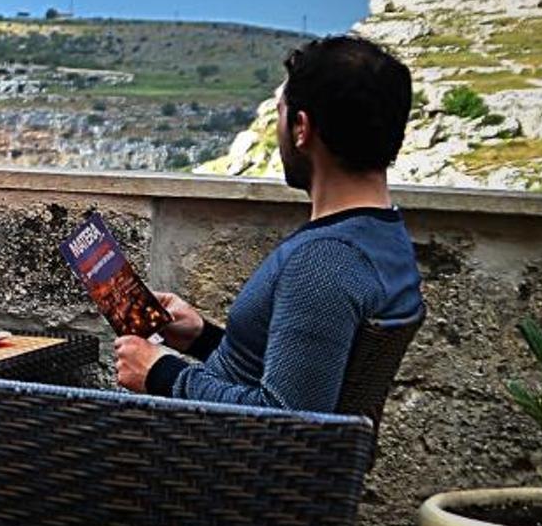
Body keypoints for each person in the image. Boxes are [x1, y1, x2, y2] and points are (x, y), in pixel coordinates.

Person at [114, 34, 424, 411]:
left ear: (301, 128)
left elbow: (286, 418)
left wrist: (161, 373)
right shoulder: (383, 237)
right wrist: (201, 338)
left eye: (280, 113)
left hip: (219, 448)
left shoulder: (325, 261)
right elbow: (302, 375)